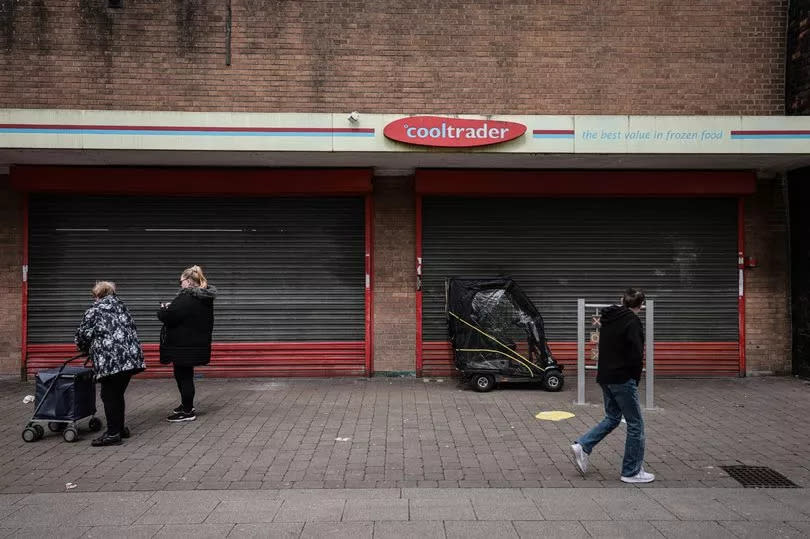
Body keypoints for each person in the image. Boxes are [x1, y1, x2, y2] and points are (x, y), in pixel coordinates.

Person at [570, 288, 654, 483]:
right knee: (636, 425)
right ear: (640, 306)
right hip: (622, 378)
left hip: (605, 376)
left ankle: (583, 445)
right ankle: (631, 471)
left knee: (613, 417)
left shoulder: (609, 318)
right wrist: (634, 378)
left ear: (621, 300)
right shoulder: (632, 321)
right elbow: (636, 354)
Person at [75, 281, 146, 447]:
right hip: (130, 360)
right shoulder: (122, 307)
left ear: (97, 295)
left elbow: (82, 336)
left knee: (108, 396)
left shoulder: (94, 311)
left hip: (111, 361)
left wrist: (85, 348)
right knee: (117, 394)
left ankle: (113, 433)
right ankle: (119, 429)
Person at [158, 265, 216, 422]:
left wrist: (163, 309)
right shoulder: (204, 298)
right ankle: (186, 404)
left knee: (183, 376)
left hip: (184, 346)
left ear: (189, 281)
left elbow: (168, 316)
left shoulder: (186, 298)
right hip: (195, 344)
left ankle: (187, 411)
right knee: (185, 375)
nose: (180, 284)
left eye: (181, 281)